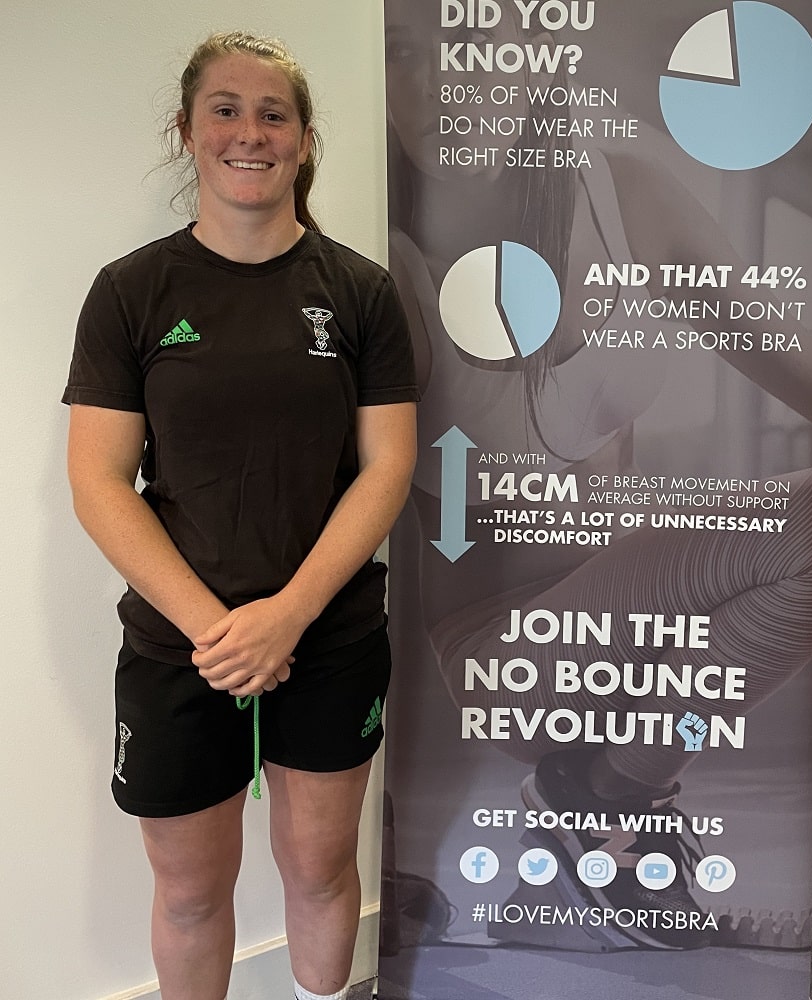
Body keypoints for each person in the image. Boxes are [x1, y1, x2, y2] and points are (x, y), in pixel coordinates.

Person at [381, 0, 812, 953]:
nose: (433, 83)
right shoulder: (390, 259)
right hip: (511, 656)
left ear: (534, 53)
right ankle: (603, 796)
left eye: (466, 44)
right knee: (808, 527)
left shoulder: (625, 194)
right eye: (399, 51)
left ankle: (605, 802)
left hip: (641, 620)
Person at [63, 31, 418, 1000]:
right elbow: (99, 481)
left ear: (303, 139)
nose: (249, 132)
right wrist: (218, 633)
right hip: (181, 645)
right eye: (225, 110)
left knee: (320, 870)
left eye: (273, 114)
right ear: (187, 131)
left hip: (330, 635)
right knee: (187, 894)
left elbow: (387, 467)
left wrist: (287, 617)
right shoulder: (131, 291)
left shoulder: (360, 292)